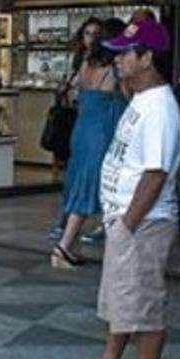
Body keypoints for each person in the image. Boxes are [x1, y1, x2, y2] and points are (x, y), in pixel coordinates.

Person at [67, 19, 180, 359]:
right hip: (126, 221)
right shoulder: (140, 100)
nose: (117, 60)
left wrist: (129, 223)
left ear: (147, 57)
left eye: (125, 54)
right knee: (122, 299)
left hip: (144, 224)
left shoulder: (161, 109)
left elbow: (156, 173)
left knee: (144, 303)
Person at [52, 17, 128, 269]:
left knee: (79, 181)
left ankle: (69, 246)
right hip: (101, 133)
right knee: (93, 185)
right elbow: (127, 98)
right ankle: (63, 247)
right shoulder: (114, 70)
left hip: (82, 130)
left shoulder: (85, 63)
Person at [48, 17, 102, 242]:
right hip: (82, 121)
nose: (91, 39)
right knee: (77, 174)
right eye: (87, 34)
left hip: (95, 122)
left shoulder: (103, 63)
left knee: (92, 173)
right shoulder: (80, 60)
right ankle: (67, 223)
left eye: (96, 34)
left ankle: (73, 225)